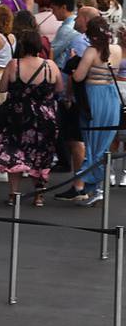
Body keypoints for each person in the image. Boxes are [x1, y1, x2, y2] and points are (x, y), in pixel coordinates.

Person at [0, 26, 60, 208]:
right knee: (41, 155)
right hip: (45, 118)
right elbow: (59, 89)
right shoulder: (50, 66)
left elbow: (2, 87)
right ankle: (39, 196)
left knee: (14, 155)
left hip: (18, 117)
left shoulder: (14, 65)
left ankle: (13, 194)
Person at [68, 23, 121, 205]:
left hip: (94, 98)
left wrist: (74, 61)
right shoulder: (117, 49)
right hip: (111, 97)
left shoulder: (91, 52)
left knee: (91, 142)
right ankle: (96, 187)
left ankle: (87, 187)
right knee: (103, 144)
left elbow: (78, 77)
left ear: (91, 37)